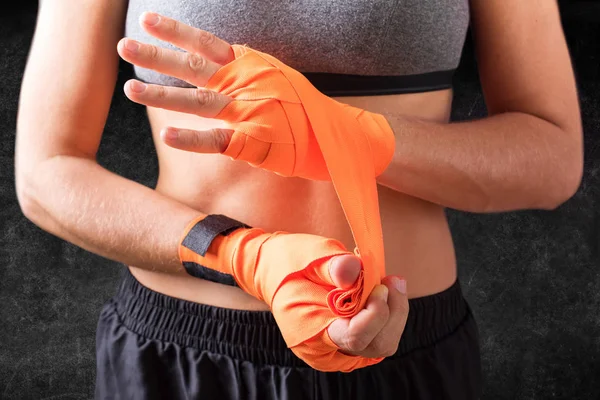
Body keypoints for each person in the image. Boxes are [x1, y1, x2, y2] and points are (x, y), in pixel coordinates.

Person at [15, 0, 582, 399]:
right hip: (182, 348)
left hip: (402, 342)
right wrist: (244, 255)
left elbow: (552, 159)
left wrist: (344, 134)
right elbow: (47, 172)